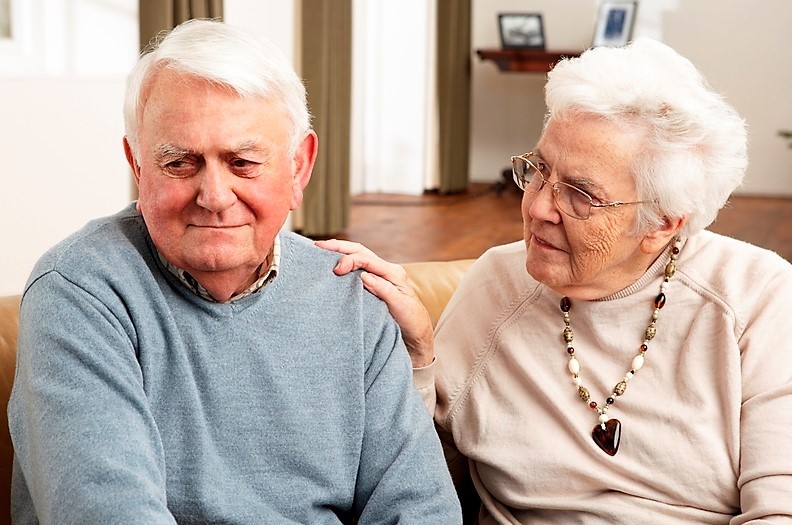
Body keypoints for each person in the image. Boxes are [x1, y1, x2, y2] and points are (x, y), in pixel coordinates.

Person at [318, 38, 792, 523]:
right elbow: (415, 477)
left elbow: (780, 506)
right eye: (540, 170)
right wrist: (419, 358)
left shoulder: (757, 298)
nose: (539, 207)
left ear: (663, 222)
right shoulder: (496, 288)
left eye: (581, 195)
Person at [8, 19, 462, 524]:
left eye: (243, 162)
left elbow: (422, 509)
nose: (215, 196)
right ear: (137, 165)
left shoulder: (352, 297)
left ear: (299, 168)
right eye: (180, 162)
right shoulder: (78, 294)